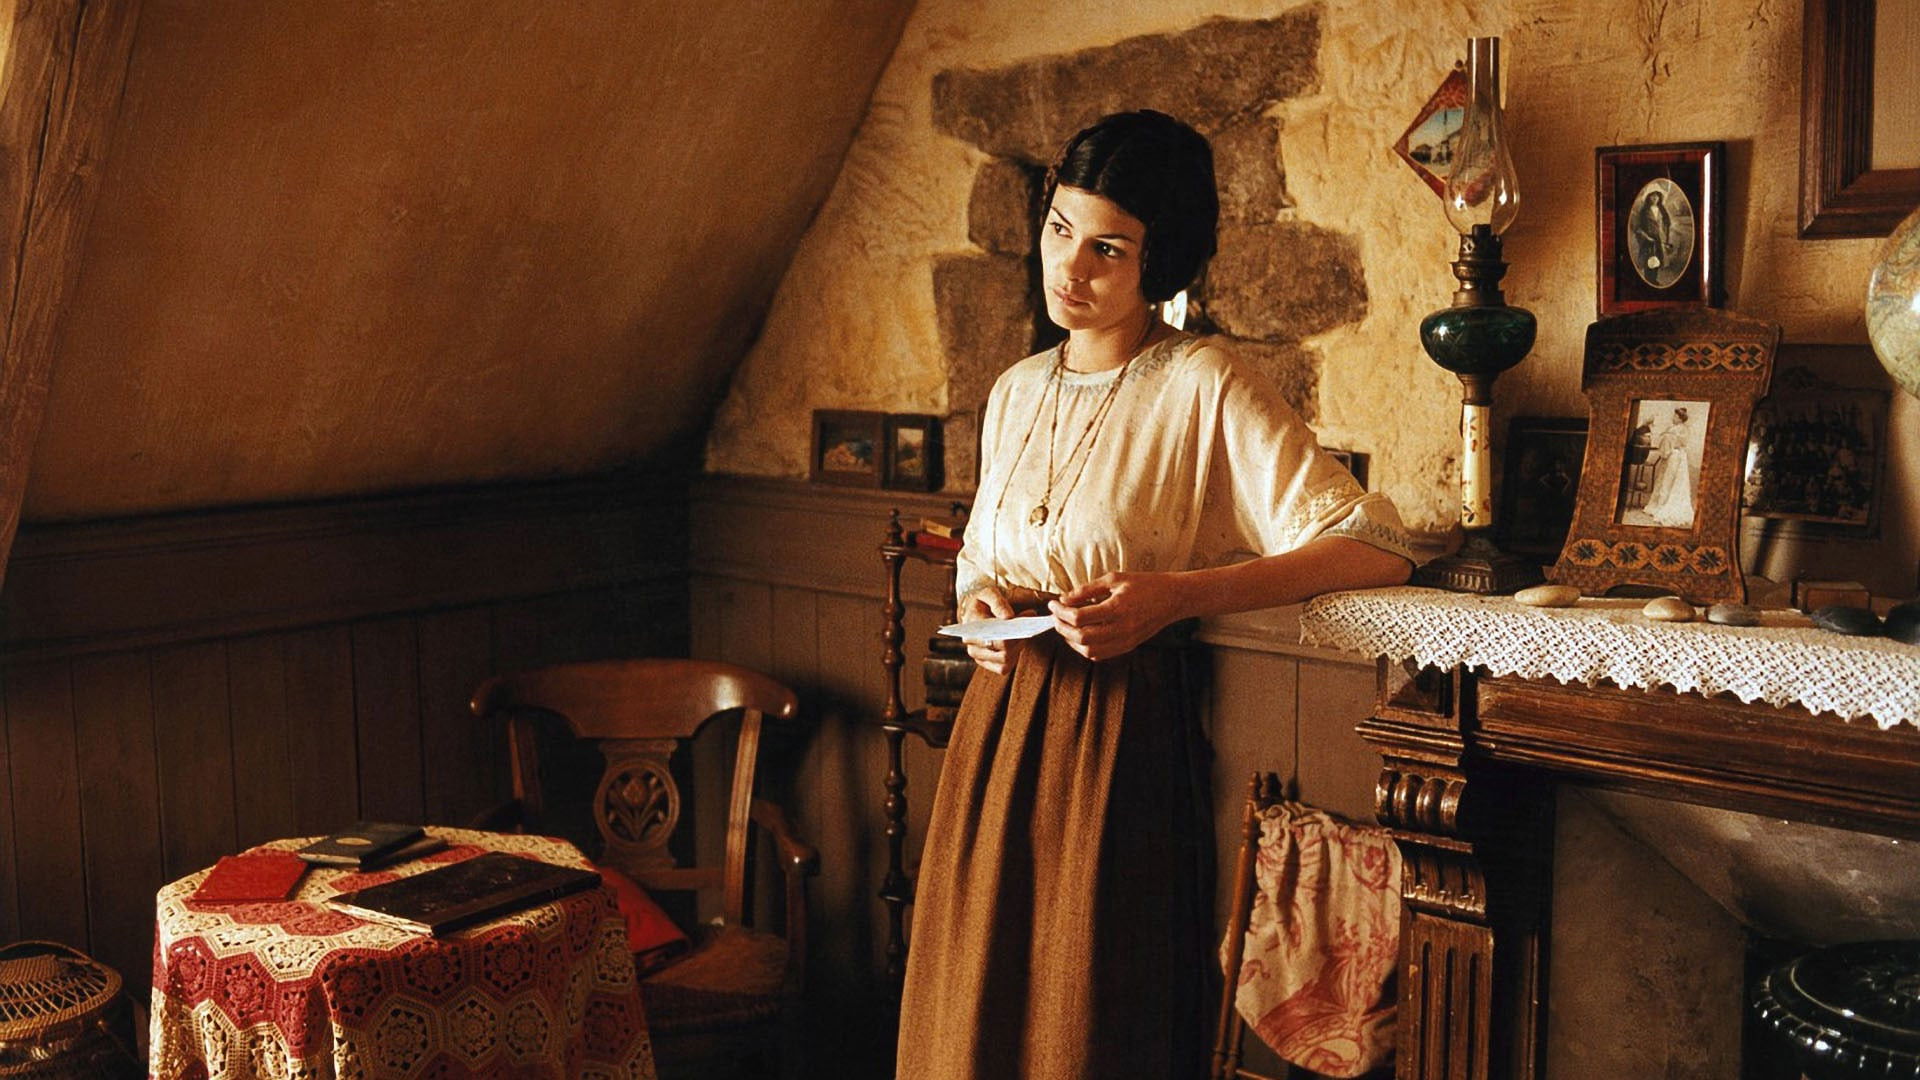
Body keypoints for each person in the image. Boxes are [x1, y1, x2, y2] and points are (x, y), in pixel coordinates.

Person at [894, 110, 1417, 1080]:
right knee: (970, 1006)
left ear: (1159, 260)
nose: (1070, 268)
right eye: (1060, 229)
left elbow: (1375, 546)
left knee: (1083, 1013)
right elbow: (979, 560)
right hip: (995, 733)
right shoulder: (1014, 391)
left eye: (1109, 248)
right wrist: (983, 611)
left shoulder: (1201, 381)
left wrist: (1178, 597)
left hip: (1117, 733)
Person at [1641, 407, 1695, 527]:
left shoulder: (1679, 430)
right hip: (1673, 455)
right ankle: (1658, 506)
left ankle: (1663, 507)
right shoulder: (1674, 428)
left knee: (1669, 481)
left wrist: (1665, 451)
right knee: (1664, 480)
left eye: (1675, 416)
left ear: (1680, 419)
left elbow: (1674, 443)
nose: (1673, 418)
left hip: (1675, 456)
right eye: (1674, 415)